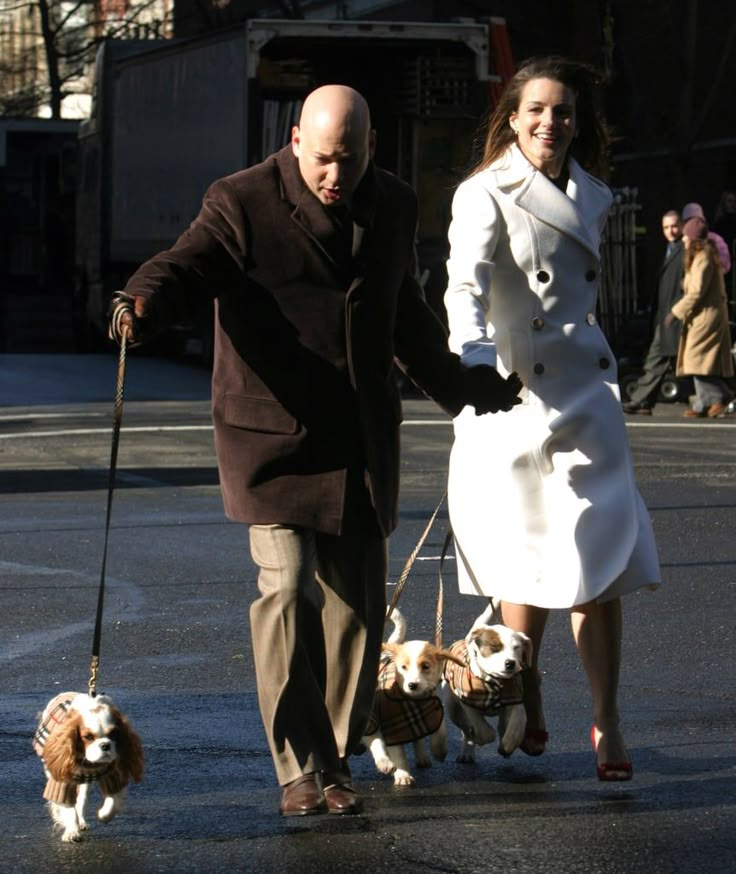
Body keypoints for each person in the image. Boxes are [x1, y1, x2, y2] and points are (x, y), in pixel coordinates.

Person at [107, 84, 522, 817]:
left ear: (371, 152)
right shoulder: (240, 200)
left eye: (352, 161)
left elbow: (406, 315)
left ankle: (333, 760)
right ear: (296, 139)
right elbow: (187, 262)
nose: (337, 176)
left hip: (358, 440)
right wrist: (140, 302)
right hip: (270, 438)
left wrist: (466, 387)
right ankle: (297, 766)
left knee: (358, 614)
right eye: (326, 159)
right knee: (290, 589)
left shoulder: (392, 202)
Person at [442, 56, 661, 782]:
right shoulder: (486, 192)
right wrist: (474, 360)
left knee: (599, 570)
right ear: (511, 116)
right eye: (536, 109)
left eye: (563, 111)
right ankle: (526, 701)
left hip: (586, 396)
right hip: (516, 399)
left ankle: (608, 718)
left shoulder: (593, 194)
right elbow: (463, 288)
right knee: (527, 568)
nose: (550, 122)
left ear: (577, 121)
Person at [665, 214, 734, 418]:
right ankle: (704, 403)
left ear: (694, 238)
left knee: (697, 360)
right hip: (703, 315)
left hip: (706, 316)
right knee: (698, 360)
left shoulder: (703, 256)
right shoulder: (701, 255)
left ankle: (721, 396)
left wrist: (674, 313)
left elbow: (697, 292)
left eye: (686, 237)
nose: (683, 240)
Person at [622, 210, 684, 415]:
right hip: (665, 316)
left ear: (682, 225)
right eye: (666, 227)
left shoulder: (685, 250)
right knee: (662, 359)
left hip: (675, 315)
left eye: (674, 226)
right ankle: (644, 401)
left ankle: (641, 399)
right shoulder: (668, 249)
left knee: (659, 359)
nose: (670, 231)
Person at [681, 202, 731, 275]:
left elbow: (725, 265)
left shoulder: (715, 239)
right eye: (689, 220)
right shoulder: (683, 240)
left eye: (697, 220)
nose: (693, 224)